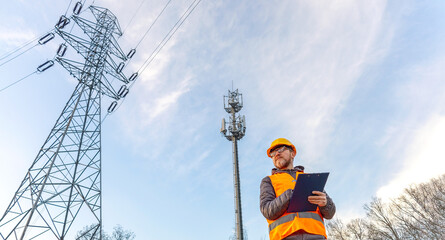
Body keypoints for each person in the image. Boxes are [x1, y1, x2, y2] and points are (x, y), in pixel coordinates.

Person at [260, 138, 336, 240]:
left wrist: (325, 203)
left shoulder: (309, 178)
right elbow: (267, 211)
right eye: (273, 153)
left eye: (281, 149)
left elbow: (330, 213)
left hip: (316, 236)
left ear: (292, 154)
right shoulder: (268, 181)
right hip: (285, 237)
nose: (277, 153)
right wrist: (290, 194)